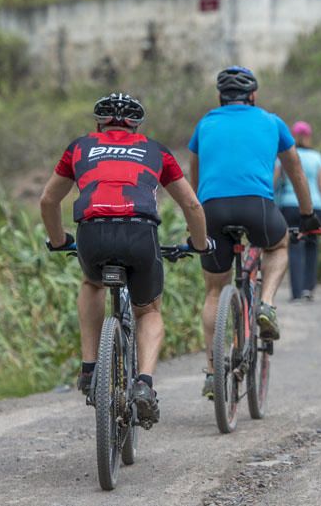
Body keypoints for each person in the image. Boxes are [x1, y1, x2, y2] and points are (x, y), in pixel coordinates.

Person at [39, 92, 211, 426]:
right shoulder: (156, 150)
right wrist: (200, 244)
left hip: (92, 232)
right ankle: (144, 384)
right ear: (136, 127)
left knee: (92, 283)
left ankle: (90, 368)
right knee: (148, 310)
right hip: (139, 233)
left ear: (98, 123)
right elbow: (191, 205)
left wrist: (60, 241)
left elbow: (48, 200)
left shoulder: (79, 147)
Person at [188, 66, 321, 399]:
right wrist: (307, 215)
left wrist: (198, 220)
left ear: (219, 97)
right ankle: (265, 304)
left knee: (213, 291)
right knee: (279, 245)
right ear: (253, 96)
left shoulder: (204, 124)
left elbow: (192, 176)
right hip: (256, 207)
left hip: (211, 210)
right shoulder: (272, 121)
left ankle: (211, 371)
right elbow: (294, 170)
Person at [274, 121, 321, 302]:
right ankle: (308, 289)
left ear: (293, 136)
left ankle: (296, 291)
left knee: (294, 246)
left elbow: (274, 181)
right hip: (314, 206)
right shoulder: (317, 157)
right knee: (312, 245)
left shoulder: (284, 156)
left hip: (289, 205)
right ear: (309, 136)